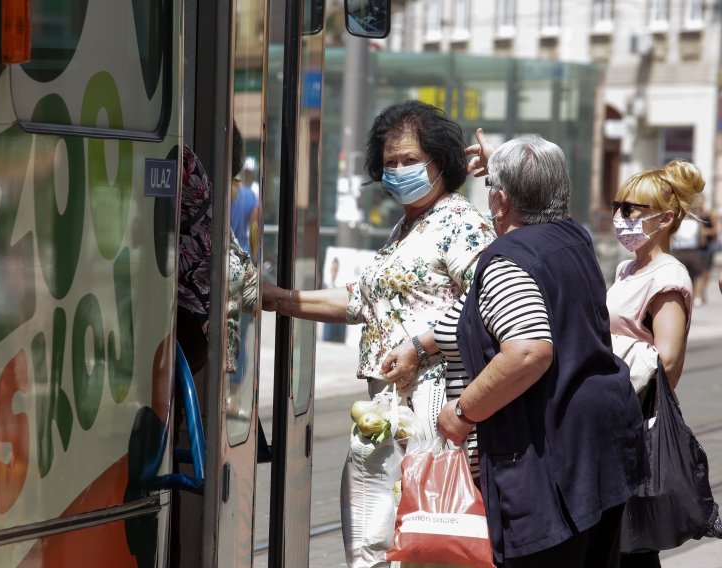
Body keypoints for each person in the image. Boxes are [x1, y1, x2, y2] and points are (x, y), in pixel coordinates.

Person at [262, 100, 495, 567]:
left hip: (430, 400)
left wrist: (419, 347)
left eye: (410, 160)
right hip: (384, 406)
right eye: (390, 163)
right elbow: (362, 301)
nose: (398, 170)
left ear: (441, 162)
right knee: (372, 542)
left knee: (419, 538)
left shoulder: (461, 222)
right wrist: (277, 298)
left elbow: (484, 303)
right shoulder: (407, 227)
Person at [435, 132, 647, 568]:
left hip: (549, 467)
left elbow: (529, 351)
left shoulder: (506, 259)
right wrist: (511, 167)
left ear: (500, 202)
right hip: (600, 451)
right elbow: (536, 200)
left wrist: (462, 413)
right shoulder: (573, 237)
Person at [605, 160, 722, 567]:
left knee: (632, 544)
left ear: (666, 218)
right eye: (617, 206)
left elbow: (667, 361)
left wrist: (607, 354)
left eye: (631, 210)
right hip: (615, 415)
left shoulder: (669, 276)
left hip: (636, 423)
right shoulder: (628, 268)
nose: (620, 217)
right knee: (618, 540)